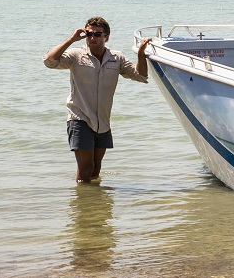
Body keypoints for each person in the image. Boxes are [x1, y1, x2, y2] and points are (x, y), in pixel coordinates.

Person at [44, 17, 153, 183]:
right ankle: (83, 206)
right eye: (89, 34)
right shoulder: (76, 55)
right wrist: (72, 39)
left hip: (103, 121)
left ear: (106, 37)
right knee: (86, 169)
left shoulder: (117, 58)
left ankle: (95, 206)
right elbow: (49, 61)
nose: (92, 37)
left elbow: (141, 76)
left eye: (97, 34)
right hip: (79, 118)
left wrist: (140, 54)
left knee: (96, 169)